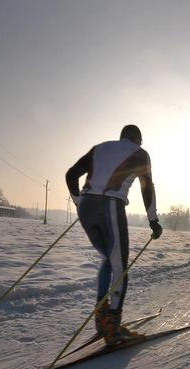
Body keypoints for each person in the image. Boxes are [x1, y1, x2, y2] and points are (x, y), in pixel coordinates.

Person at [66, 124, 163, 345]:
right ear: (138, 140)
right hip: (110, 206)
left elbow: (71, 175)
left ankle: (102, 320)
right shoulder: (140, 153)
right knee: (120, 267)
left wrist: (79, 201)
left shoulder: (99, 147)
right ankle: (112, 329)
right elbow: (146, 186)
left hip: (86, 207)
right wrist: (153, 220)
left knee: (108, 259)